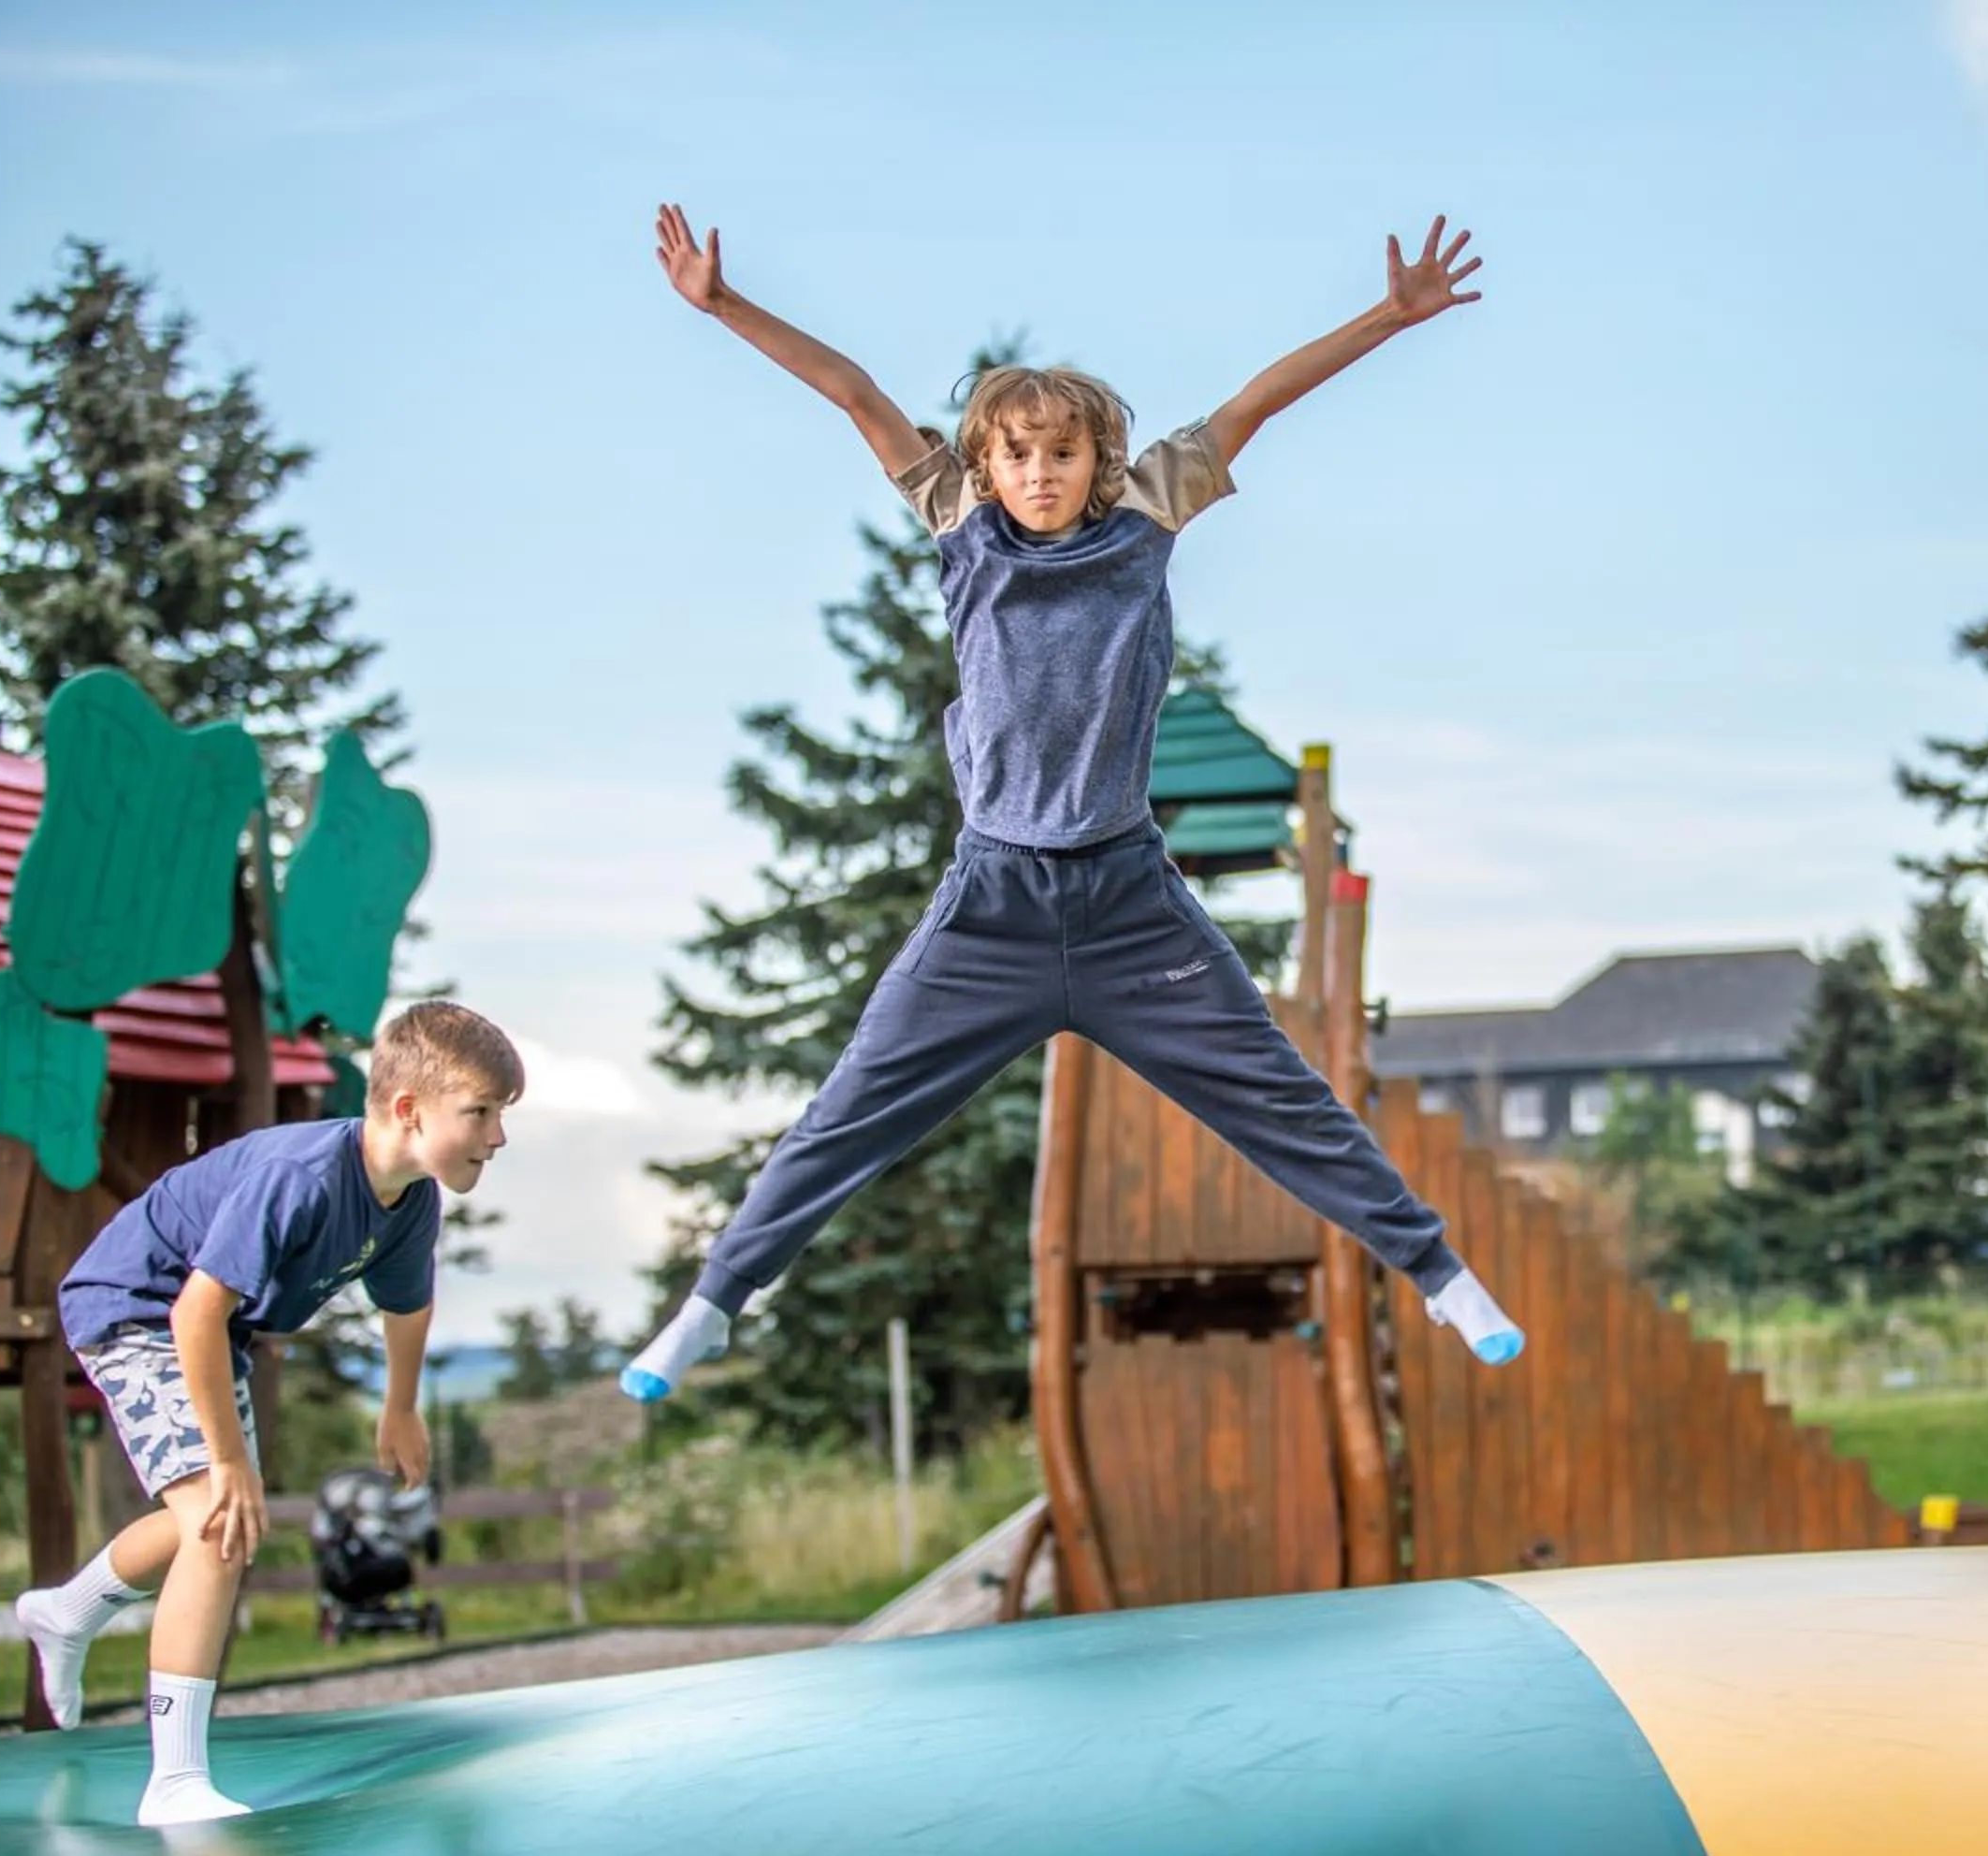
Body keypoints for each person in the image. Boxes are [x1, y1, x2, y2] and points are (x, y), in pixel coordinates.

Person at [624, 204, 1520, 1399]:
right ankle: (714, 1299)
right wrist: (721, 305)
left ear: (1099, 459)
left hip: (1127, 903)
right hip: (991, 905)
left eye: (1060, 454)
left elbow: (1257, 402)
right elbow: (852, 391)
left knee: (1278, 1094)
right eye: (1016, 456)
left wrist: (1390, 317)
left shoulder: (1150, 512)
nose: (1038, 475)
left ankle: (1437, 1269)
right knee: (852, 1107)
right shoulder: (959, 524)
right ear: (983, 464)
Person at [14, 1002, 521, 1826]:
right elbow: (192, 1314)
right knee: (222, 1516)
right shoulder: (302, 1179)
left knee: (207, 1521)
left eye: (501, 1115)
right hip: (138, 1308)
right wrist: (227, 1460)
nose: (497, 1136)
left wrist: (400, 1408)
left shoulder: (412, 1199)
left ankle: (66, 1612)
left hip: (214, 1327)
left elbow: (408, 1304)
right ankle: (172, 1783)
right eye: (482, 1113)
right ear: (408, 1110)